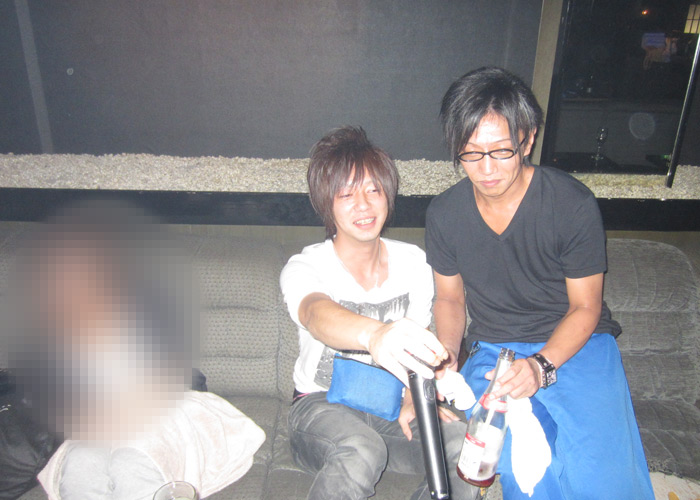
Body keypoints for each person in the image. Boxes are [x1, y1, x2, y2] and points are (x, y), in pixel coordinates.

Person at [425, 66, 655, 500]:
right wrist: (448, 358)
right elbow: (450, 299)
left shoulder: (571, 203)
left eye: (501, 151)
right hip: (496, 350)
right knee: (517, 464)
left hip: (577, 343)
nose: (486, 169)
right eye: (470, 153)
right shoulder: (444, 214)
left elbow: (585, 307)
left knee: (600, 478)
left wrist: (541, 366)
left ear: (527, 139)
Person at [9, 200, 264, 500]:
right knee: (80, 466)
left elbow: (183, 379)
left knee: (131, 464)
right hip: (93, 425)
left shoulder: (146, 311)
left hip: (161, 415)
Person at [280, 126, 479, 500]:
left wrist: (416, 395)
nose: (363, 205)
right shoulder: (306, 265)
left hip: (391, 404)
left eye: (373, 190)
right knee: (361, 448)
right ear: (326, 203)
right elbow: (314, 313)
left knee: (463, 446)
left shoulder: (414, 263)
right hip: (320, 406)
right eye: (346, 194)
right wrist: (375, 335)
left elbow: (423, 341)